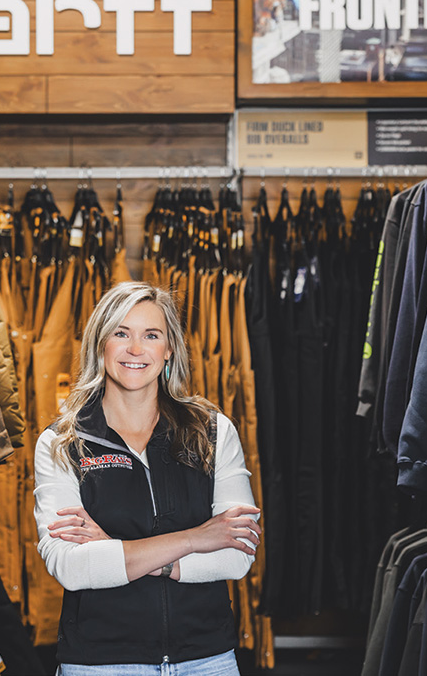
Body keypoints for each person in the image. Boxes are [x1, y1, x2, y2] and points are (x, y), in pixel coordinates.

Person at [33, 282, 261, 675]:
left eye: (151, 335)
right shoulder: (62, 443)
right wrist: (195, 538)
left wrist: (118, 550)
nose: (136, 349)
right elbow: (71, 567)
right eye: (121, 333)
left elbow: (236, 555)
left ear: (168, 348)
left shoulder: (211, 431)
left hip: (207, 660)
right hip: (101, 663)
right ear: (99, 343)